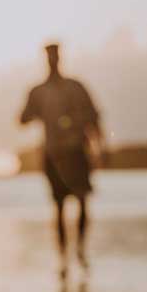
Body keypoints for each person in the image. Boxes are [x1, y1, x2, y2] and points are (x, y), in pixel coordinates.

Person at [19, 43, 105, 275]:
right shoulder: (38, 91)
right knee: (58, 207)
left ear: (60, 57)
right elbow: (22, 119)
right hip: (53, 153)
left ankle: (81, 250)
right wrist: (35, 112)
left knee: (82, 201)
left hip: (76, 152)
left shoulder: (76, 87)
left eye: (55, 56)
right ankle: (63, 257)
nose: (53, 60)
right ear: (46, 59)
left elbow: (95, 117)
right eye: (50, 56)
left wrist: (101, 147)